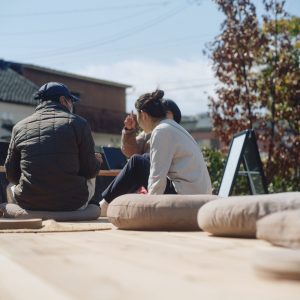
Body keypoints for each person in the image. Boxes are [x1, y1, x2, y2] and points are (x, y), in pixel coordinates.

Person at [100, 90, 212, 216]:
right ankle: (107, 203)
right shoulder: (172, 127)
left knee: (137, 162)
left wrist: (152, 207)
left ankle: (104, 206)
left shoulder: (161, 131)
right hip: (198, 196)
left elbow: (157, 176)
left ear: (143, 115)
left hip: (186, 198)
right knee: (146, 158)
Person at [4, 82, 102, 211]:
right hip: (73, 203)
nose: (72, 105)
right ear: (63, 100)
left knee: (10, 185)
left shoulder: (19, 127)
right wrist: (96, 162)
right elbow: (89, 170)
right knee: (93, 166)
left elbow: (11, 174)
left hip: (29, 202)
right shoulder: (79, 123)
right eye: (71, 100)